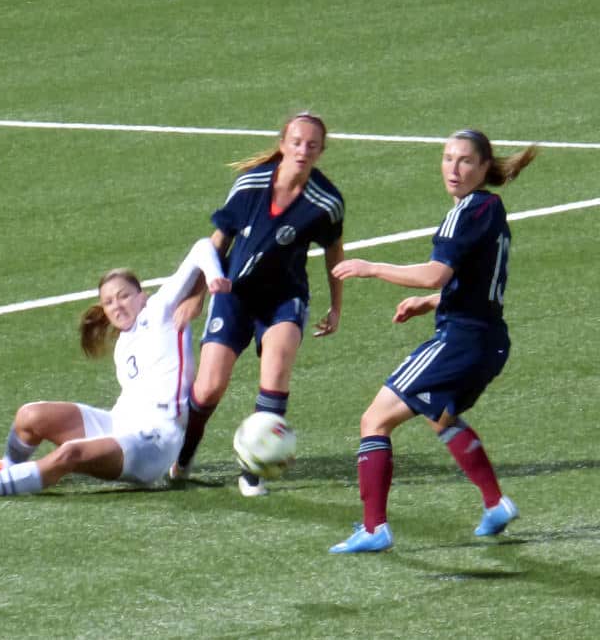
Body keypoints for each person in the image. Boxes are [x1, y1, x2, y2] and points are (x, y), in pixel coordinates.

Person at [327, 129, 537, 553]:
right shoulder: (491, 209)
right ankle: (496, 504)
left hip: (461, 339)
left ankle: (374, 529)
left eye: (464, 161)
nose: (453, 169)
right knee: (438, 415)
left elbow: (434, 272)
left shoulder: (465, 213)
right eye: (447, 159)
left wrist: (372, 267)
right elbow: (475, 282)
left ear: (482, 167)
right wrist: (430, 302)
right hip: (490, 338)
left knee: (374, 420)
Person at [0, 239, 232, 499]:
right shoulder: (124, 345)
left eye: (124, 296)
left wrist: (213, 278)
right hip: (119, 424)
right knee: (29, 416)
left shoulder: (160, 308)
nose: (117, 305)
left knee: (69, 454)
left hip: (155, 442)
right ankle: (9, 466)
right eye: (109, 302)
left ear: (142, 296)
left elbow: (203, 246)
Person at [171, 112, 345, 497]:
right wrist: (197, 296)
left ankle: (254, 469)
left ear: (320, 151)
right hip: (234, 294)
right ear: (283, 144)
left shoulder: (326, 202)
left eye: (311, 145)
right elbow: (217, 242)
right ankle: (182, 458)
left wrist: (336, 306)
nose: (303, 150)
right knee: (208, 390)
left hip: (285, 298)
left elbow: (334, 251)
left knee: (276, 372)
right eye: (296, 142)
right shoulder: (249, 185)